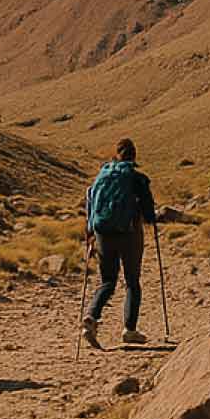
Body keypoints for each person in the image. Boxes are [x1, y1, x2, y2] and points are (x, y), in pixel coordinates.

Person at [81, 138, 157, 349]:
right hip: (129, 233)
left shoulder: (101, 176)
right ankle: (129, 330)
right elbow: (149, 212)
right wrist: (151, 218)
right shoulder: (136, 178)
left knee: (108, 281)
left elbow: (90, 202)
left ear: (116, 154)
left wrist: (90, 233)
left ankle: (91, 317)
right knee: (132, 281)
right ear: (134, 156)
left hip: (102, 233)